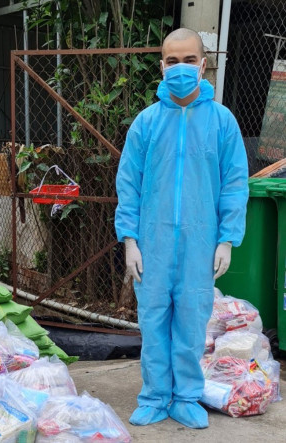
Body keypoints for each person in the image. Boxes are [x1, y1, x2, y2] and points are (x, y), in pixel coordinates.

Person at [115, 28, 249, 429]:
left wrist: (227, 238)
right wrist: (130, 240)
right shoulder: (146, 123)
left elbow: (235, 183)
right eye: (172, 61)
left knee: (191, 323)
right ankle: (155, 396)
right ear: (161, 66)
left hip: (200, 244)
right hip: (152, 245)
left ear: (203, 64)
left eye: (188, 60)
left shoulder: (222, 122)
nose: (180, 68)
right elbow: (129, 183)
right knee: (153, 322)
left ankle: (187, 396)